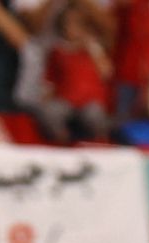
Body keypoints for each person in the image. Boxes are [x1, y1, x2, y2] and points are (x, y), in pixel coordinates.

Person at [38, 2, 113, 143]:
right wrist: (46, 97)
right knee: (50, 113)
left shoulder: (93, 49)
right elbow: (49, 80)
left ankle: (99, 143)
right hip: (66, 100)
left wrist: (92, 48)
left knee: (95, 116)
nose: (72, 28)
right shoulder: (58, 51)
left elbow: (106, 72)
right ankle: (62, 141)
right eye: (68, 23)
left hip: (90, 101)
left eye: (77, 24)